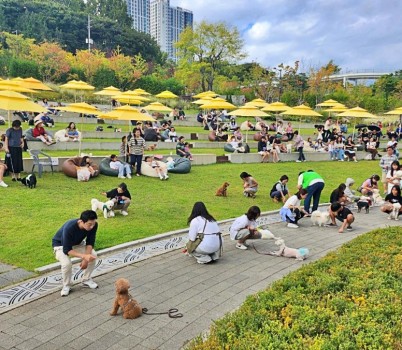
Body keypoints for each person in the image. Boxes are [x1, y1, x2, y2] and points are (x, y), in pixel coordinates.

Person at [52, 210, 99, 296]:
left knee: (93, 255)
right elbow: (67, 250)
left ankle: (86, 279)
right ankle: (67, 285)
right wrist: (84, 257)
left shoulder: (94, 225)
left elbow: (90, 242)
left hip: (78, 243)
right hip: (61, 245)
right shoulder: (69, 227)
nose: (92, 226)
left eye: (93, 223)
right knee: (66, 264)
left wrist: (86, 258)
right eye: (89, 224)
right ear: (81, 221)